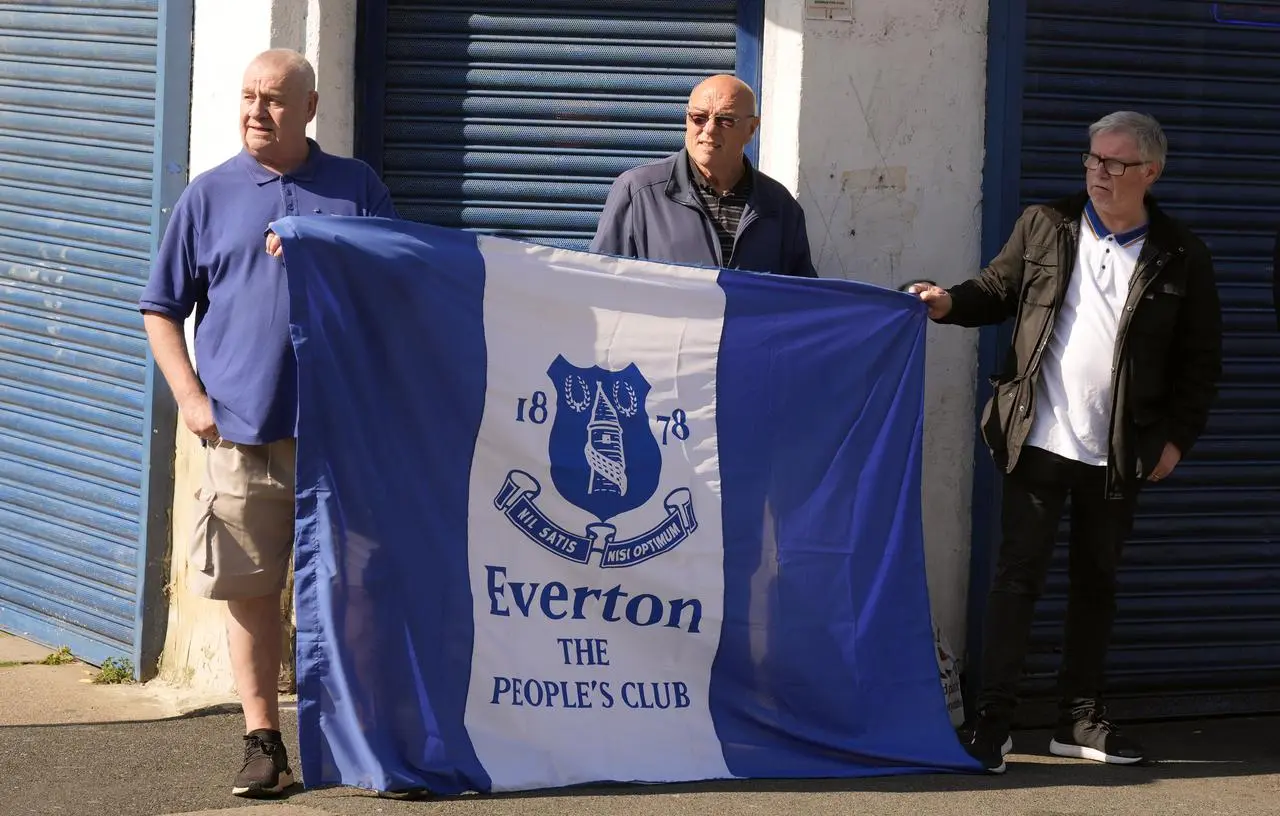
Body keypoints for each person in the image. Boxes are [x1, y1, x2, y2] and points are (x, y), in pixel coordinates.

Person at [909, 111, 1221, 773]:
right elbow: (996, 290)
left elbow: (1202, 361)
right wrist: (945, 302)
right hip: (1039, 438)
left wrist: (1174, 443)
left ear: (1149, 173)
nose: (1098, 174)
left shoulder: (1180, 253)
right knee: (1016, 582)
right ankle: (992, 726)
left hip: (1120, 452)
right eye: (1092, 160)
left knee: (1095, 585)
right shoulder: (1046, 225)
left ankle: (1077, 722)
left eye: (1114, 164)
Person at [138, 48, 395, 797]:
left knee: (355, 592)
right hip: (242, 434)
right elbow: (161, 308)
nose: (257, 110)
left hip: (340, 440)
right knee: (251, 593)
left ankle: (363, 743)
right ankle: (264, 744)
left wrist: (326, 250)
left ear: (310, 109)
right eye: (248, 96)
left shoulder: (356, 189)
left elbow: (398, 281)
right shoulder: (210, 195)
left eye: (275, 100)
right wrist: (191, 397)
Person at [590, 74, 816, 278]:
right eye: (698, 117)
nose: (709, 130)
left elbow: (802, 300)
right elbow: (601, 282)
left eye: (725, 120)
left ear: (751, 129)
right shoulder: (638, 191)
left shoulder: (779, 205)